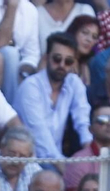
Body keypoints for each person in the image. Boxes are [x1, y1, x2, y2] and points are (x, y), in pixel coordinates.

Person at [14, 32, 91, 163]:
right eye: (57, 59)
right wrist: (64, 168)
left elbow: (82, 121)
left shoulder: (74, 83)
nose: (62, 65)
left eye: (68, 61)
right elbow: (40, 137)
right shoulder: (31, 87)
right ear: (46, 58)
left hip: (55, 161)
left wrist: (90, 151)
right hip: (26, 161)